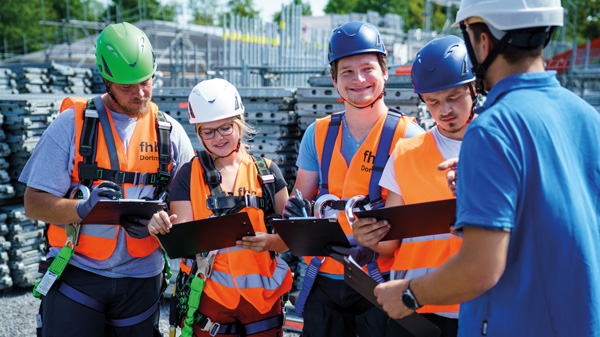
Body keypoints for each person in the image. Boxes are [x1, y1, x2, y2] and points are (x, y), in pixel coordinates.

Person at [372, 0, 600, 336]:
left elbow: (480, 269)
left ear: (483, 40)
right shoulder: (587, 118)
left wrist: (408, 294)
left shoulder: (491, 130)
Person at [19, 22, 195, 336]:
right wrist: (81, 210)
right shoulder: (71, 125)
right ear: (105, 79)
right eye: (128, 86)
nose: (140, 93)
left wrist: (163, 228)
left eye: (146, 81)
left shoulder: (171, 134)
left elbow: (193, 214)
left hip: (142, 282)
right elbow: (33, 205)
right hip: (78, 273)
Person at [283, 21, 424, 337]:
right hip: (325, 280)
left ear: (385, 73)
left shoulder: (410, 138)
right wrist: (296, 219)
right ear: (334, 79)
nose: (358, 79)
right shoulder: (317, 134)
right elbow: (299, 200)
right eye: (346, 71)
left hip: (382, 283)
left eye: (368, 68)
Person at [353, 35, 477, 337]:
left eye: (454, 96)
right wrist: (367, 236)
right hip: (416, 309)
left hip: (481, 306)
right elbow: (390, 243)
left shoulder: (503, 146)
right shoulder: (406, 153)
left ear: (475, 89)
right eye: (433, 101)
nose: (444, 110)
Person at [148, 78, 293, 337]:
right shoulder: (187, 176)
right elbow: (183, 242)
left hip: (263, 304)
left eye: (225, 128)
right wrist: (162, 230)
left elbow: (291, 238)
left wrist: (270, 242)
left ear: (238, 123)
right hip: (210, 303)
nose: (218, 138)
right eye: (209, 131)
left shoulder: (268, 174)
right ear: (198, 132)